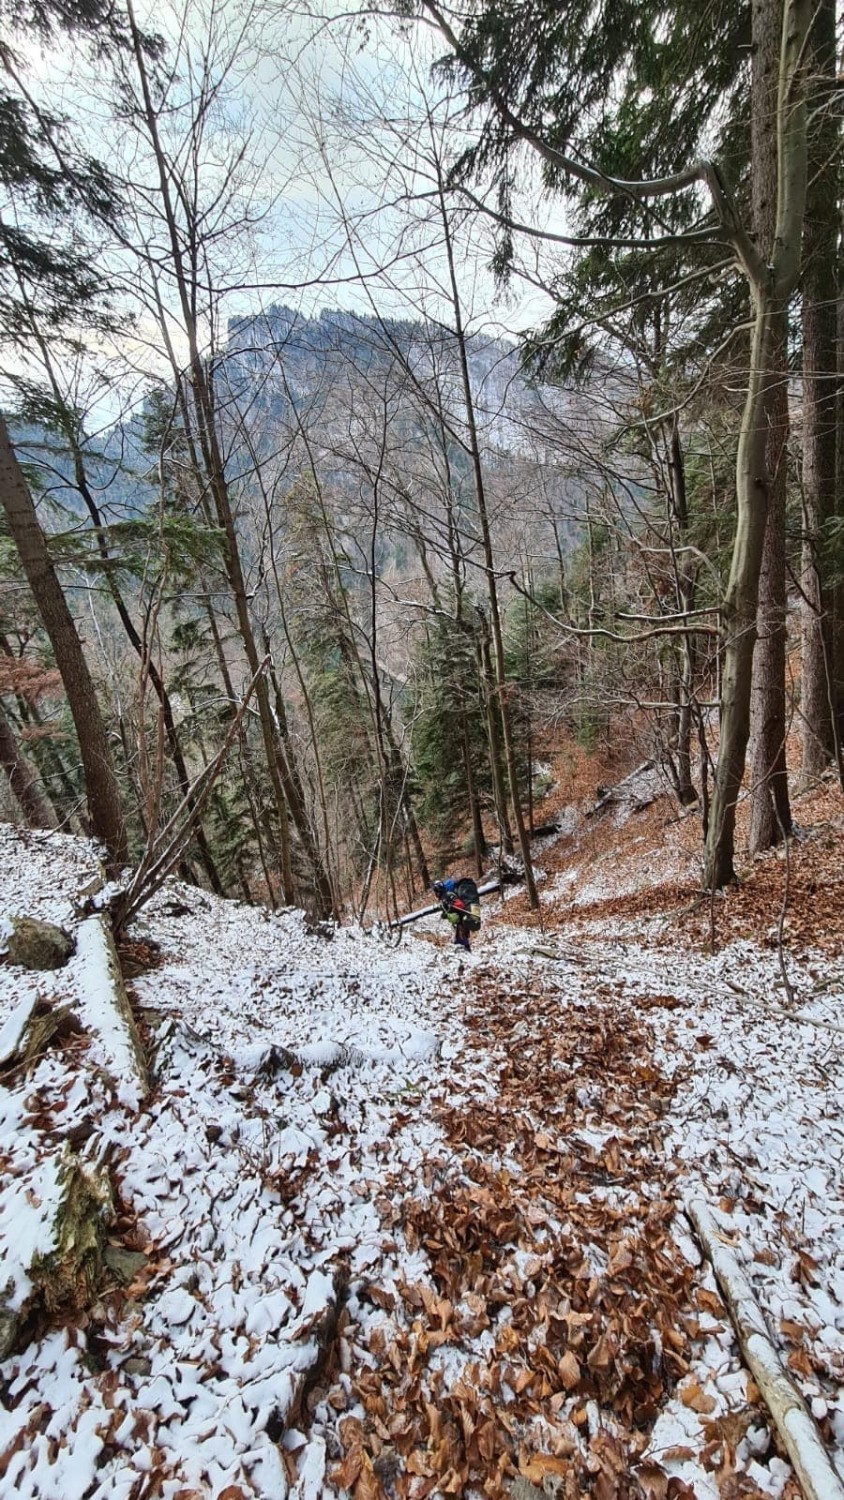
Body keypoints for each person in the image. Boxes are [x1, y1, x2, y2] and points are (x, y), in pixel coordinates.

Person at [432, 876, 481, 952]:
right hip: (464, 913)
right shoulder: (450, 889)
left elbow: (459, 905)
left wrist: (448, 913)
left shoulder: (447, 893)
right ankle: (465, 947)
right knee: (462, 925)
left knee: (461, 924)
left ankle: (464, 948)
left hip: (462, 913)